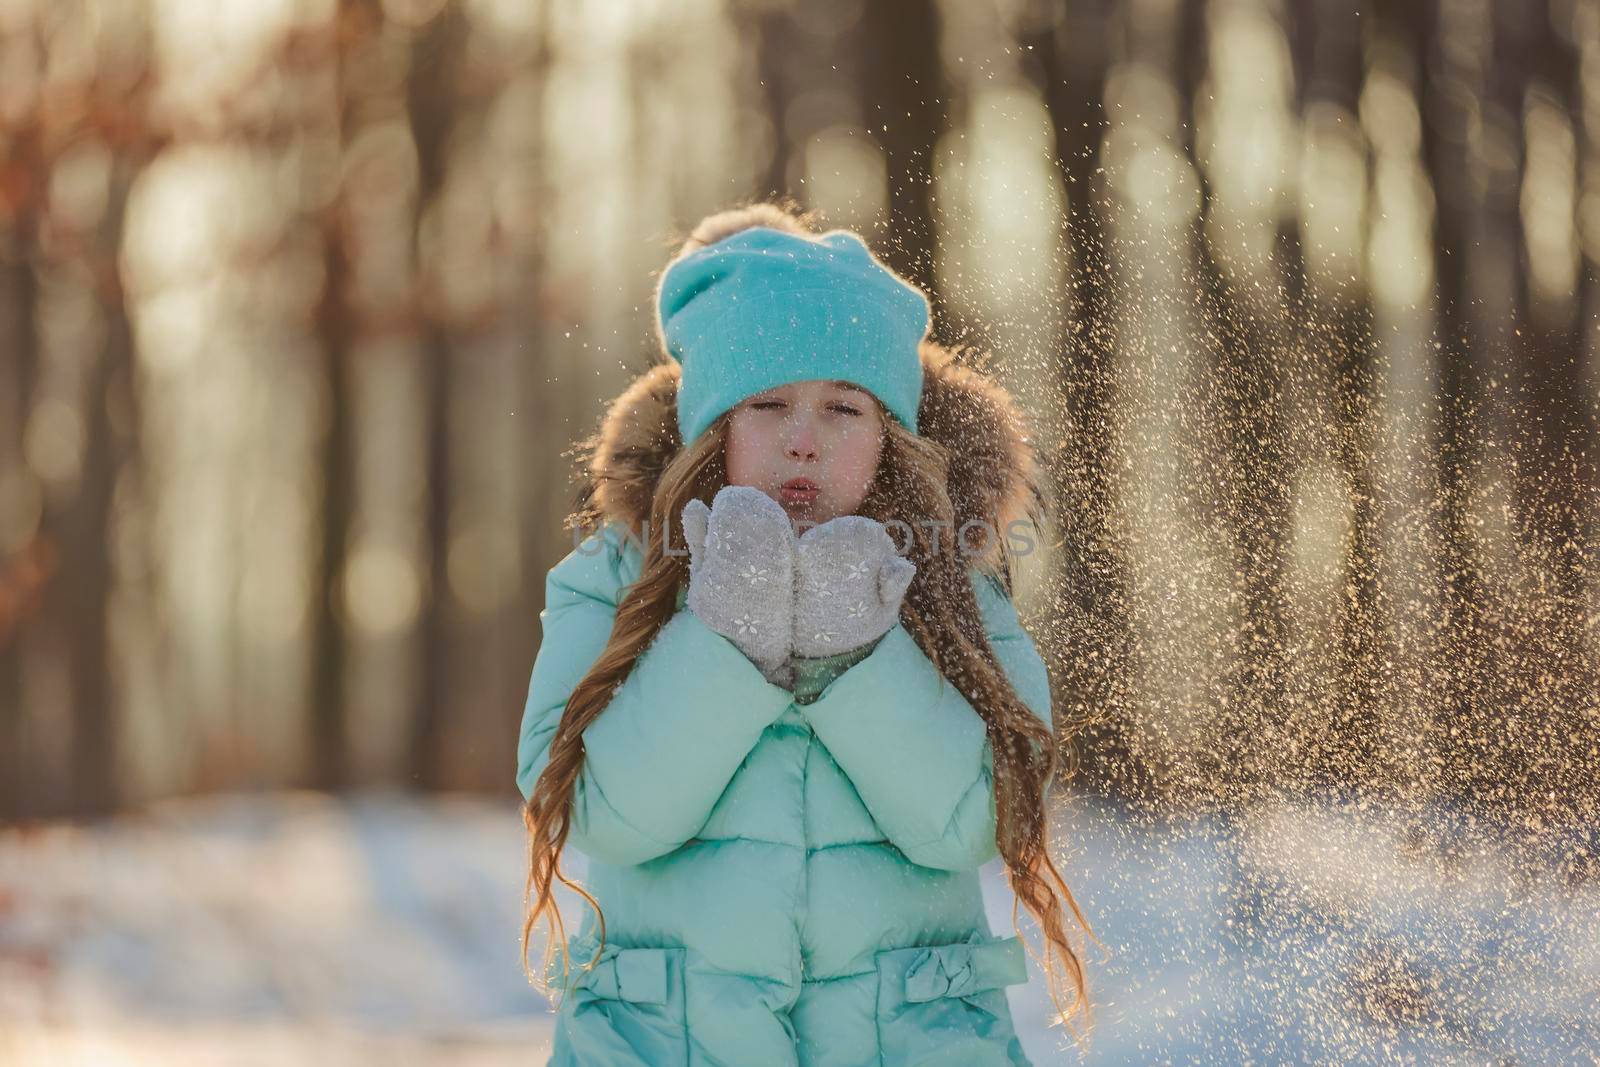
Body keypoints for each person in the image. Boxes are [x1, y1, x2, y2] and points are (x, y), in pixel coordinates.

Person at [515, 200, 1095, 1065]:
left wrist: (856, 654)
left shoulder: (946, 576)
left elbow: (981, 821)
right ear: (712, 426)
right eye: (768, 405)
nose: (802, 442)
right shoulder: (621, 571)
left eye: (843, 410)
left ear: (891, 433)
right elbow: (596, 812)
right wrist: (722, 642)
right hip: (664, 1042)